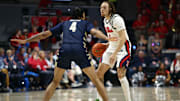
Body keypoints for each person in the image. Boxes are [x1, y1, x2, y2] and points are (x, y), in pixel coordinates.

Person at [11, 7, 109, 101]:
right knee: (96, 80)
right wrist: (107, 38)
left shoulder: (64, 23)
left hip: (64, 49)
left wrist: (26, 40)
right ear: (83, 16)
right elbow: (95, 32)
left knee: (55, 82)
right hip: (79, 49)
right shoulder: (85, 23)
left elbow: (44, 34)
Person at [96, 1, 132, 101]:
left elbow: (123, 37)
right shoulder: (105, 20)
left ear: (110, 9)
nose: (101, 10)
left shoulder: (117, 19)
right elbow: (113, 36)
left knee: (120, 74)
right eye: (101, 8)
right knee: (99, 73)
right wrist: (107, 44)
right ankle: (99, 99)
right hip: (112, 47)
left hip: (123, 48)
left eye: (104, 8)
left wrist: (115, 54)